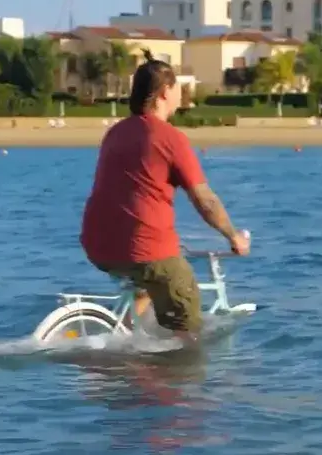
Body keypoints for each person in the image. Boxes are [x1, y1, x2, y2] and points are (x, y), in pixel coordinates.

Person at [80, 53, 250, 342]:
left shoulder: (116, 133)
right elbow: (205, 200)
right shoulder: (170, 138)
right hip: (144, 247)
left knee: (149, 280)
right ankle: (177, 378)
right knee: (190, 327)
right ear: (164, 93)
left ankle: (121, 333)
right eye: (178, 87)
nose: (181, 93)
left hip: (98, 246)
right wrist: (233, 236)